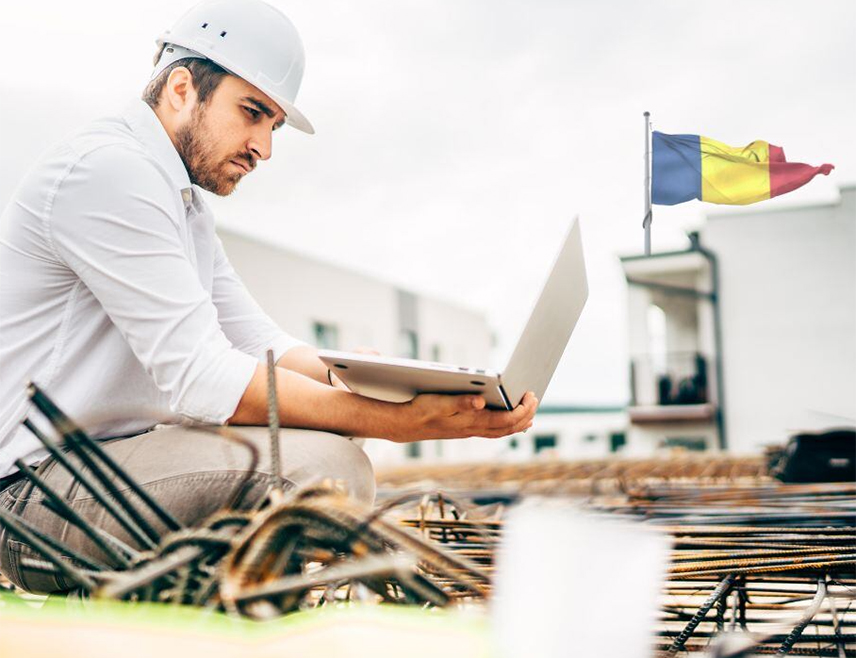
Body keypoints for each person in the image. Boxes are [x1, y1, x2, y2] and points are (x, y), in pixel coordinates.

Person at [0, 0, 538, 593]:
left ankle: (199, 615)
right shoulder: (107, 171)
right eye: (252, 112)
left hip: (101, 469)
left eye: (274, 125)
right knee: (322, 472)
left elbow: (260, 345)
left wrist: (372, 377)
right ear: (182, 88)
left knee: (324, 447)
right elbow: (204, 377)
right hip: (33, 497)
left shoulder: (181, 202)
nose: (265, 147)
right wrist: (393, 422)